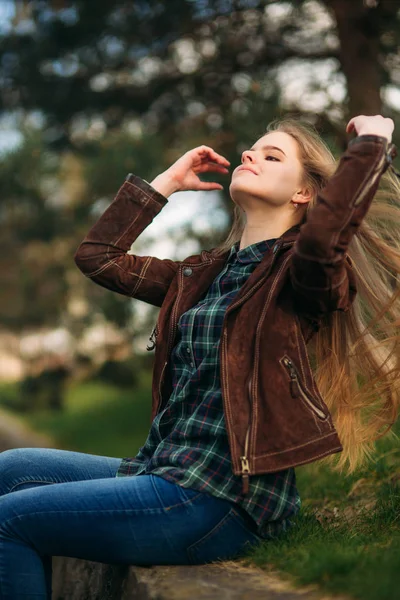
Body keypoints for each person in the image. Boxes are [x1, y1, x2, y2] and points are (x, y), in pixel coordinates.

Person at [0, 114, 399, 598]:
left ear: (304, 195)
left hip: (218, 500)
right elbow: (98, 256)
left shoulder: (300, 277)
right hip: (162, 470)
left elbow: (322, 243)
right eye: (252, 149)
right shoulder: (202, 275)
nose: (250, 155)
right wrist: (167, 182)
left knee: (9, 522)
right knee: (12, 468)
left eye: (272, 156)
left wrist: (371, 147)